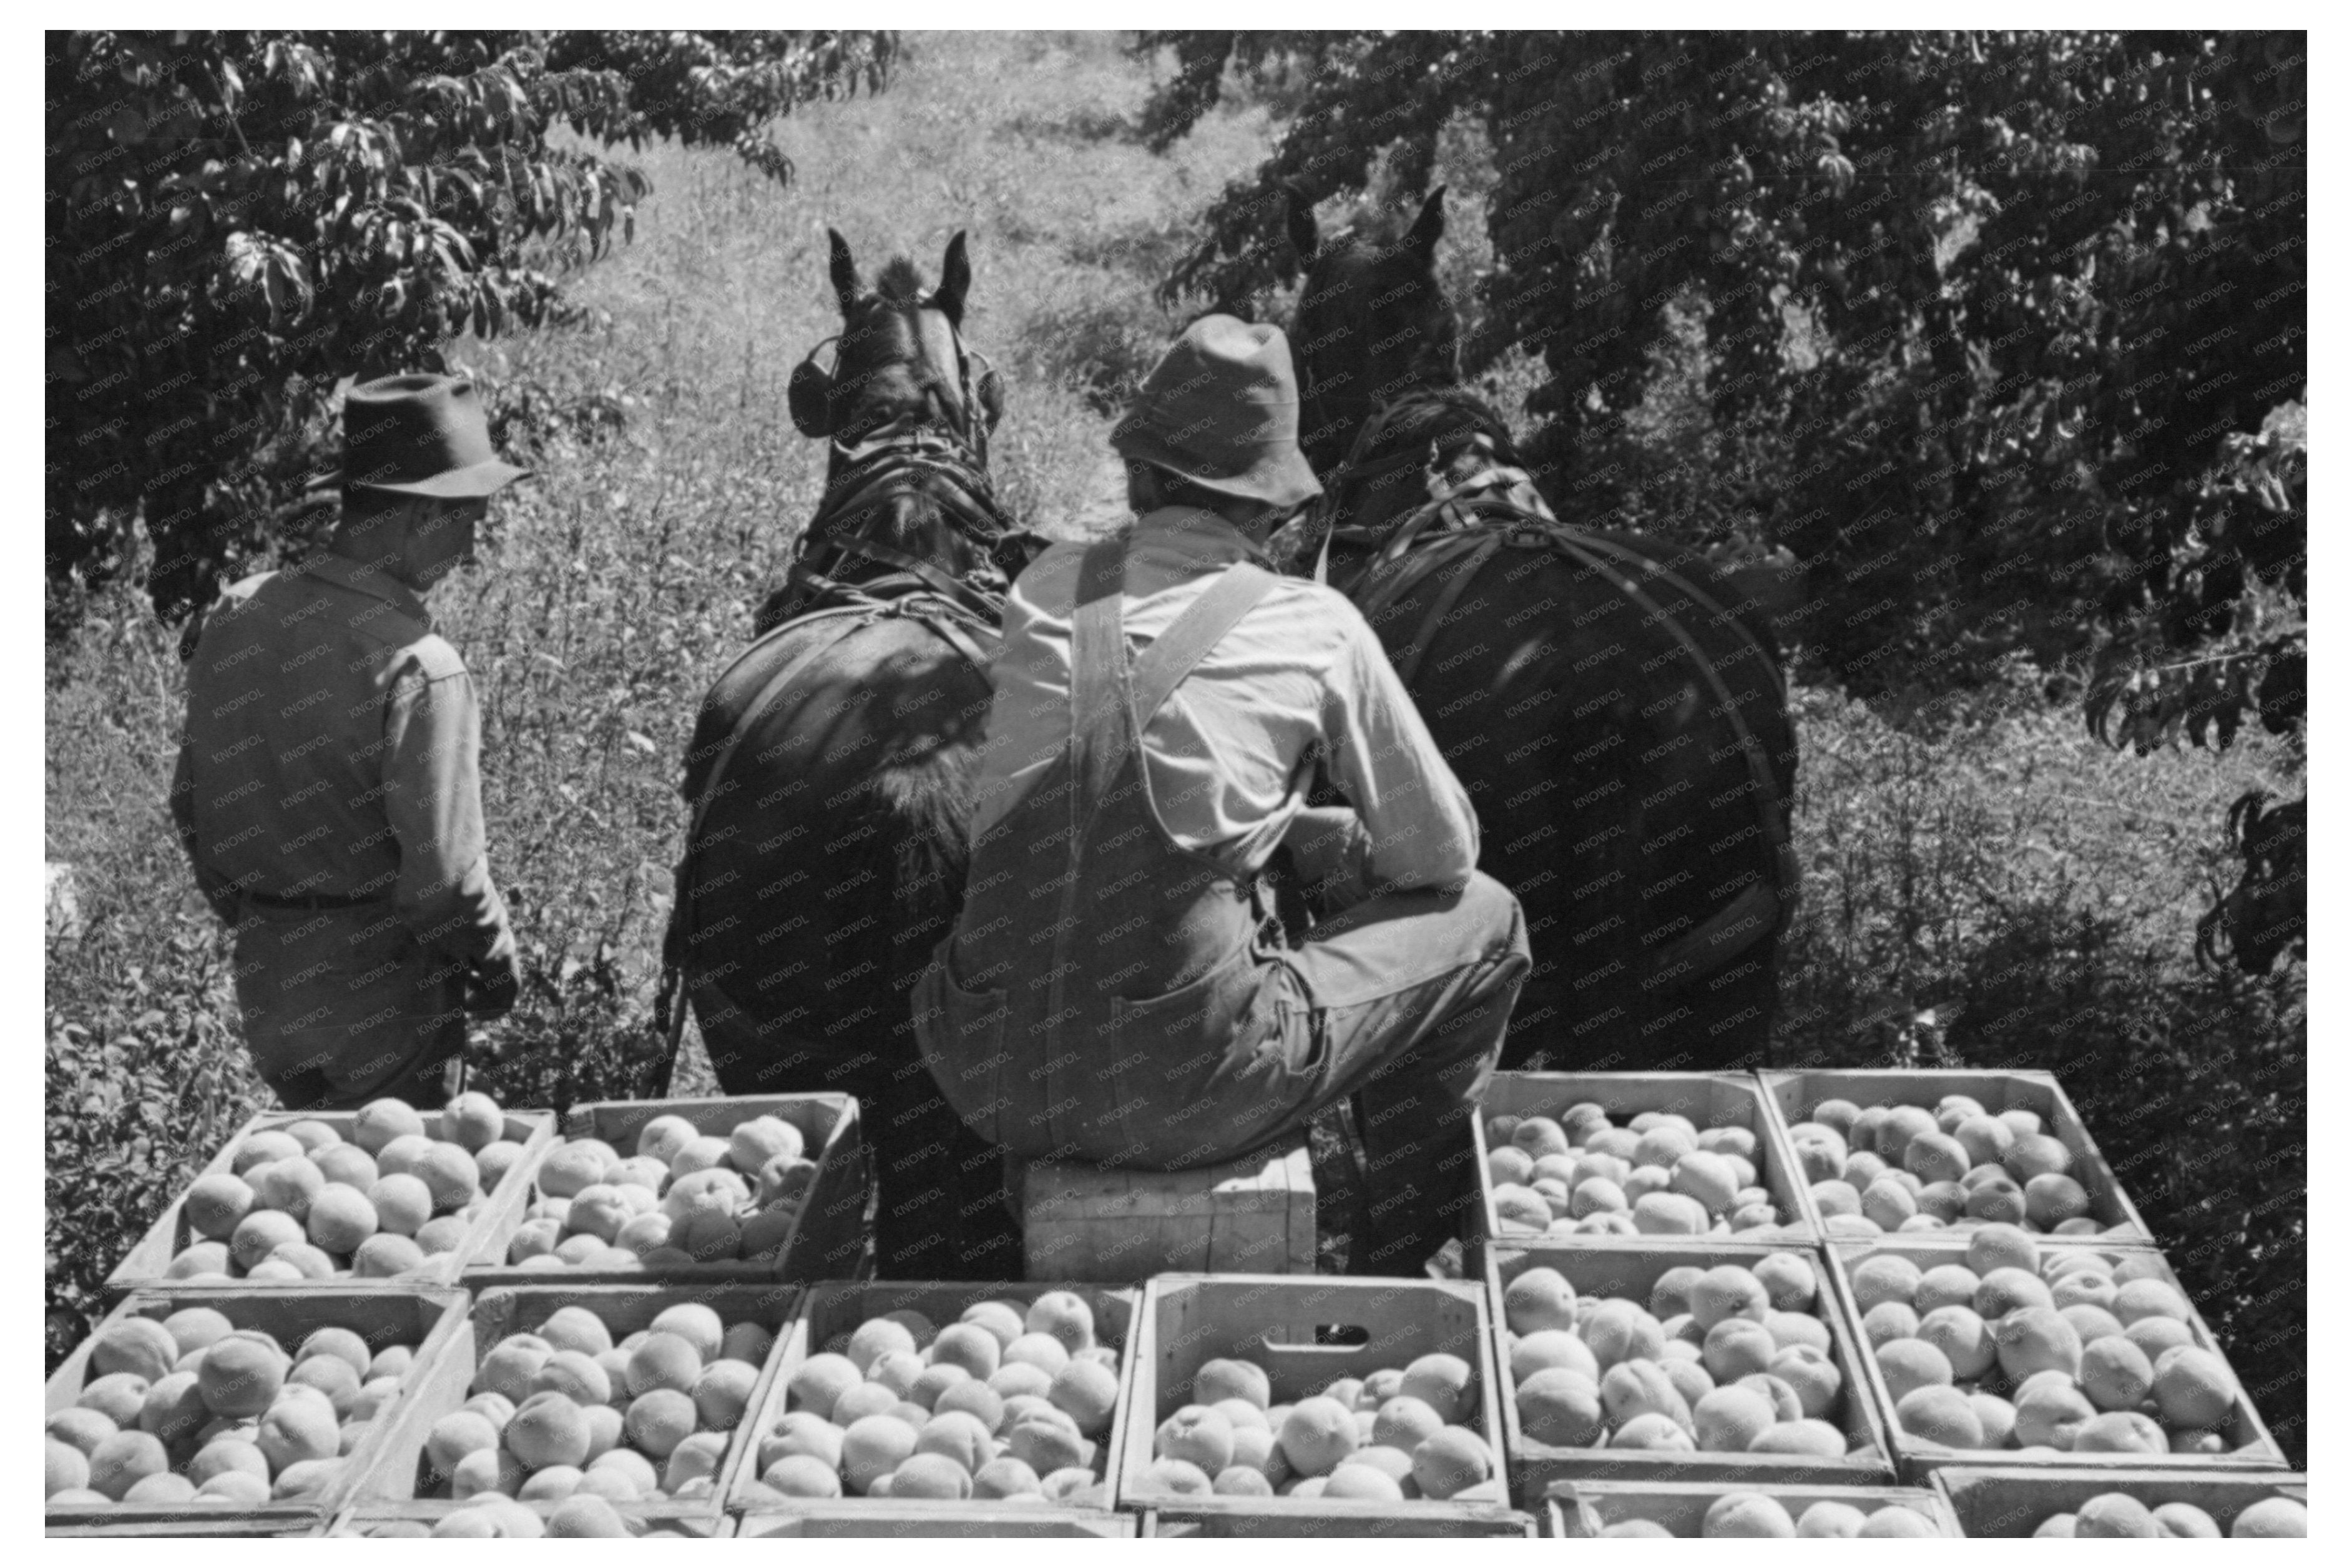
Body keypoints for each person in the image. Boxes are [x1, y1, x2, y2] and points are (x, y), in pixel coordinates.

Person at [913, 316, 1531, 1275]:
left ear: (1138, 477)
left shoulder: (1042, 585)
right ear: (1276, 513)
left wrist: (1280, 829)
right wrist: (1343, 851)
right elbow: (1441, 857)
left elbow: (1094, 794)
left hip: (981, 1069)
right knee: (1486, 917)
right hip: (1189, 1092)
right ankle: (1402, 1248)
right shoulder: (1316, 624)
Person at [172, 373, 528, 1110]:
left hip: (269, 982)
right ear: (417, 517)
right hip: (385, 988)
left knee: (317, 1194)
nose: (469, 550)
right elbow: (445, 884)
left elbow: (192, 802)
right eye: (468, 522)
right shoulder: (420, 667)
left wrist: (270, 922)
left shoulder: (238, 614)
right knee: (401, 1199)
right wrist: (497, 966)